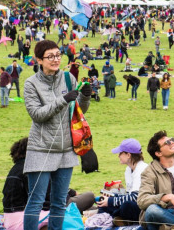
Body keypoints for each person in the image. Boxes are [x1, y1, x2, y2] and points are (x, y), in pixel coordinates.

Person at [21, 39, 93, 230]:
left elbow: (79, 111)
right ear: (39, 59)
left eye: (57, 55)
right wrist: (62, 99)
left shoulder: (69, 78)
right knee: (36, 202)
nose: (55, 59)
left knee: (59, 202)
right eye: (49, 56)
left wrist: (85, 95)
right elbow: (37, 115)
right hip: (41, 148)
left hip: (67, 149)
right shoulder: (31, 84)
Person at [95, 139, 149, 224]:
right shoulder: (128, 169)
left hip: (144, 208)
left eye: (120, 153)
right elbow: (128, 194)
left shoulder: (142, 169)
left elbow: (135, 198)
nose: (118, 156)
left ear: (128, 155)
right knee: (102, 201)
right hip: (134, 203)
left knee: (126, 206)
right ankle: (105, 221)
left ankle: (116, 218)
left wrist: (110, 201)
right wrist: (111, 196)